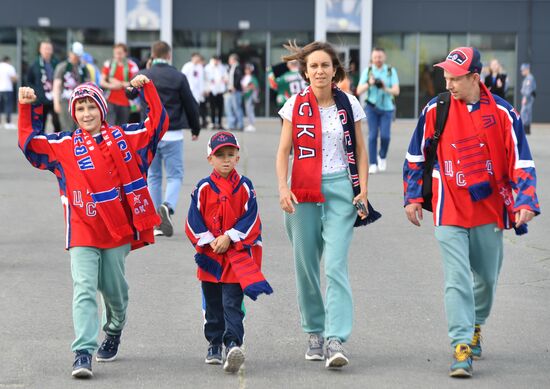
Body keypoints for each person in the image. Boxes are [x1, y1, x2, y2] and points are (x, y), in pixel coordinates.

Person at [17, 75, 169, 378]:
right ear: (74, 113)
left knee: (115, 293)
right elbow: (30, 144)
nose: (86, 113)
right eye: (81, 108)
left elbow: (156, 126)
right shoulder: (63, 144)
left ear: (103, 109)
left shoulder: (125, 137)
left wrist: (146, 90)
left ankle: (114, 328)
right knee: (84, 288)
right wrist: (25, 107)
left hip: (117, 230)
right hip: (82, 229)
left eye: (91, 107)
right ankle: (82, 352)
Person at [403, 47, 540, 378]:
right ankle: (461, 344)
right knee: (456, 278)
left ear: (475, 78)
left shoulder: (505, 114)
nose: (448, 84)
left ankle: (476, 323)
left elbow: (522, 160)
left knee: (487, 279)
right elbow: (415, 155)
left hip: (489, 209)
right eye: (446, 77)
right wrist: (412, 197)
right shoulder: (436, 109)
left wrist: (525, 201)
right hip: (448, 205)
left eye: (455, 79)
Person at [276, 41, 379, 369]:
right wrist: (282, 187)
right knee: (306, 266)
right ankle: (315, 332)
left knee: (335, 264)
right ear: (305, 72)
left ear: (335, 70)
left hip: (340, 191)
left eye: (325, 65)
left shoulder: (349, 103)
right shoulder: (294, 104)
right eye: (313, 66)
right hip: (302, 191)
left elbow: (362, 150)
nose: (319, 71)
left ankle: (336, 337)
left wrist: (362, 188)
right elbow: (283, 152)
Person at [185, 131, 272, 373]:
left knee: (232, 301)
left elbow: (251, 217)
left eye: (230, 155)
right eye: (220, 155)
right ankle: (214, 342)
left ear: (237, 157)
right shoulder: (202, 188)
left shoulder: (245, 186)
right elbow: (193, 219)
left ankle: (233, 342)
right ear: (210, 159)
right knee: (212, 302)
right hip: (211, 256)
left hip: (235, 256)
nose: (225, 160)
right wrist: (211, 240)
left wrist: (230, 236)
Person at [138, 41, 200, 237]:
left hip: (150, 134)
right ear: (169, 55)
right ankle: (168, 205)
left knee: (154, 177)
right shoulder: (178, 76)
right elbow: (190, 104)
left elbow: (130, 94)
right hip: (173, 133)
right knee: (175, 176)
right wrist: (195, 127)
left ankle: (157, 222)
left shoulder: (145, 75)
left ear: (152, 54)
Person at [356, 47, 400, 174]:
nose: (378, 60)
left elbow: (396, 91)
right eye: (375, 57)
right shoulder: (368, 71)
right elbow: (359, 90)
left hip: (387, 108)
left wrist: (385, 88)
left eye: (380, 57)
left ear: (384, 57)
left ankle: (382, 156)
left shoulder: (390, 71)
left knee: (385, 136)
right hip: (372, 108)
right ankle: (373, 163)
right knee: (372, 135)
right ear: (372, 58)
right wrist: (369, 83)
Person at [53, 41, 90, 131]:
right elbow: (56, 85)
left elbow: (89, 84)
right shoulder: (62, 67)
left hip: (80, 101)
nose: (76, 57)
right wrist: (56, 103)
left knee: (81, 128)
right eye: (75, 54)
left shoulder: (84, 68)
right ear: (70, 53)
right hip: (66, 101)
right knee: (67, 128)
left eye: (78, 55)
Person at [25, 40, 61, 132]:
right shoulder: (34, 64)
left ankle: (57, 142)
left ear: (52, 50)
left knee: (57, 123)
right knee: (41, 124)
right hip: (41, 99)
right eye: (45, 48)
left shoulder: (56, 63)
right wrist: (36, 92)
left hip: (54, 98)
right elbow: (29, 81)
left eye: (49, 48)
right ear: (40, 50)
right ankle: (41, 143)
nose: (47, 51)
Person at [100, 43, 139, 125]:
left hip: (126, 102)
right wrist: (113, 86)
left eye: (120, 53)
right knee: (110, 126)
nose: (117, 56)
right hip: (110, 100)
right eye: (116, 53)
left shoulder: (132, 65)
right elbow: (102, 82)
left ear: (125, 53)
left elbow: (135, 83)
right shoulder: (108, 64)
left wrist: (118, 83)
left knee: (122, 127)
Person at [182, 53, 208, 128]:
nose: (197, 59)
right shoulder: (187, 66)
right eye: (196, 58)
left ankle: (194, 123)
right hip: (188, 90)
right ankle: (186, 123)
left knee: (196, 108)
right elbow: (183, 78)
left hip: (197, 92)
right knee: (187, 108)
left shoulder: (200, 67)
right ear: (193, 57)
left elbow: (201, 80)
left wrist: (203, 90)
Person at [204, 55, 227, 130]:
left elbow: (225, 77)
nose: (216, 62)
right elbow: (206, 80)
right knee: (212, 108)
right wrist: (207, 89)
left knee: (220, 108)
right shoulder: (208, 68)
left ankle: (220, 123)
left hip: (220, 91)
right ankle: (213, 123)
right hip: (211, 90)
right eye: (215, 60)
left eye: (218, 60)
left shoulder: (222, 67)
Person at [225, 53, 244, 131]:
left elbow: (239, 77)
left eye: (230, 59)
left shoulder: (238, 67)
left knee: (237, 108)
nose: (229, 61)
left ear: (234, 60)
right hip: (230, 90)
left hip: (235, 90)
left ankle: (240, 125)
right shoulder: (231, 67)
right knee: (229, 108)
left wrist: (235, 87)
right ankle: (231, 124)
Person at [0, 56, 17, 130]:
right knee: (8, 106)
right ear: (8, 60)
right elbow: (13, 78)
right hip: (7, 89)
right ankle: (8, 123)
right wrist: (17, 77)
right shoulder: (9, 67)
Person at [241, 63, 259, 132]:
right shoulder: (244, 77)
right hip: (246, 95)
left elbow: (254, 86)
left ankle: (252, 124)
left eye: (248, 69)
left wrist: (247, 87)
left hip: (250, 95)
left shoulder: (252, 78)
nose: (246, 70)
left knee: (250, 110)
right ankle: (250, 124)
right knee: (247, 110)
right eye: (246, 69)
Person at [520, 63, 536, 135]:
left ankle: (526, 129)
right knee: (526, 112)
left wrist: (525, 98)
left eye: (523, 70)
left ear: (527, 70)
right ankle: (527, 129)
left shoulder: (529, 78)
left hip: (528, 97)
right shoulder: (528, 78)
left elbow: (528, 89)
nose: (522, 72)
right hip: (527, 97)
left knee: (525, 112)